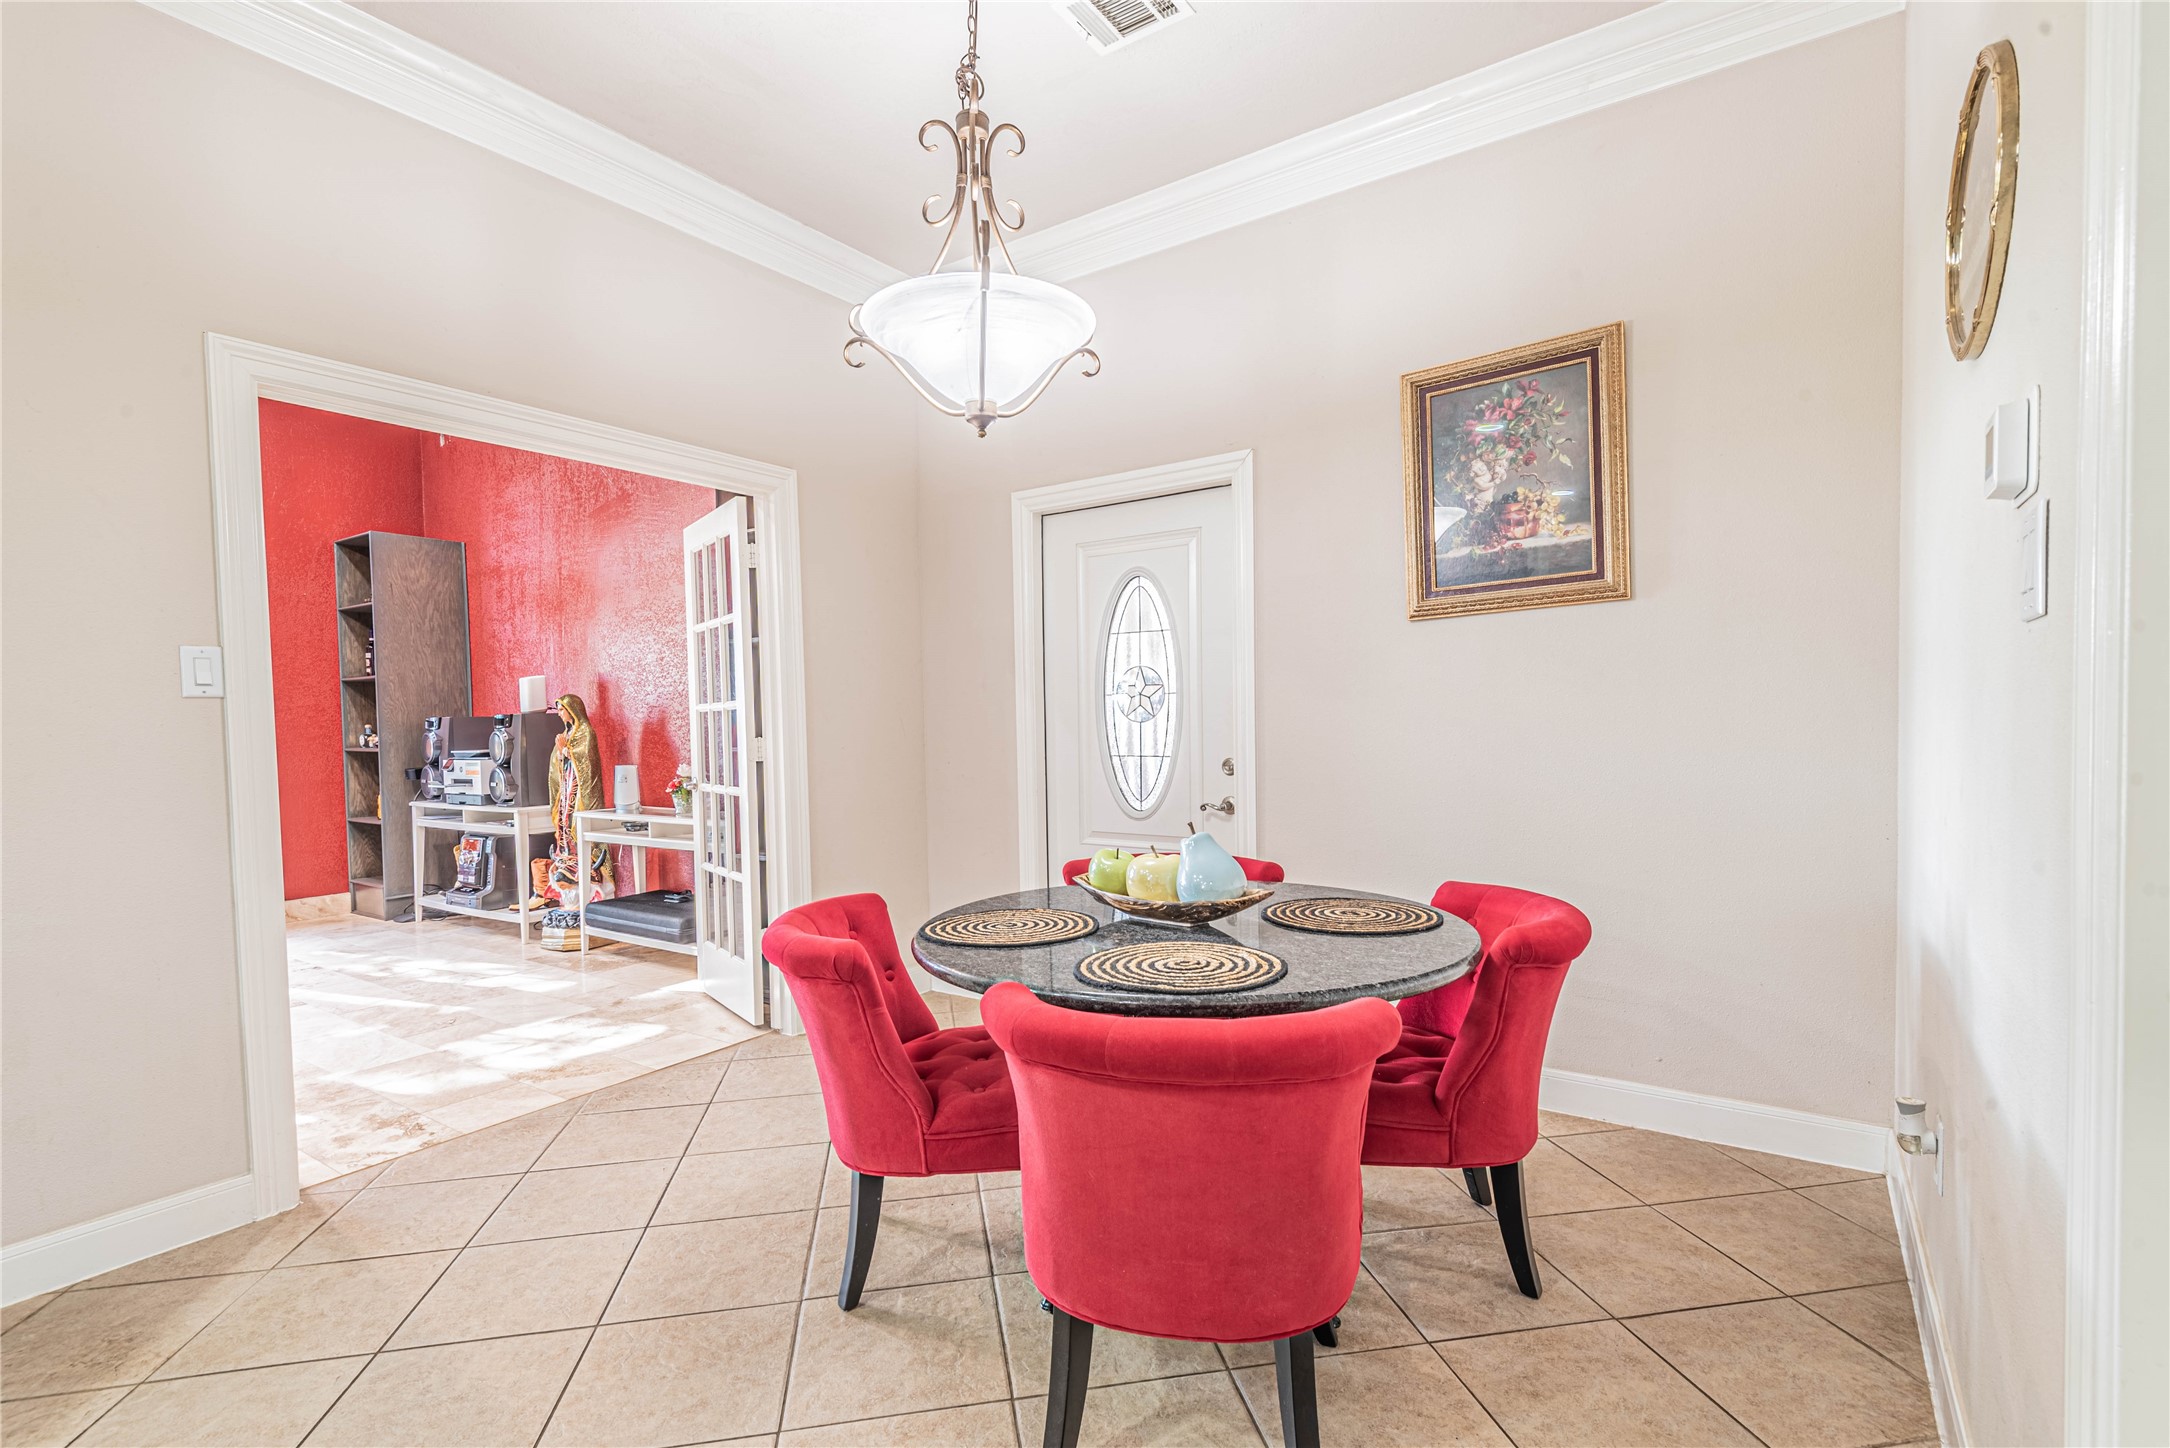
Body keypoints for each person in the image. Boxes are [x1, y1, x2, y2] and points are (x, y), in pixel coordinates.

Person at [527, 693, 614, 909]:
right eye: (558, 711)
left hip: (580, 792)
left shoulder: (586, 733)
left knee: (576, 826)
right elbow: (557, 765)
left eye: (563, 710)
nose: (560, 714)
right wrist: (560, 754)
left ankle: (586, 870)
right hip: (567, 789)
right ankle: (565, 864)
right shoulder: (566, 733)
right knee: (564, 823)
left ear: (573, 710)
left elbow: (587, 763)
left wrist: (566, 749)